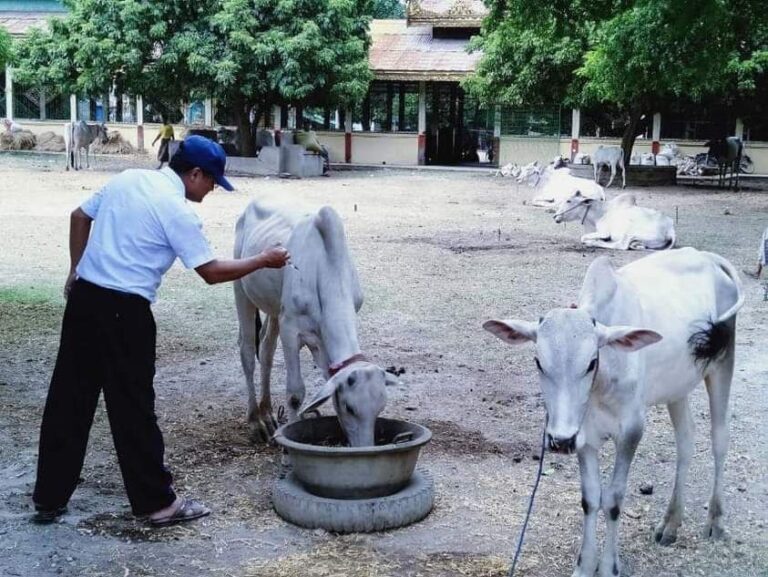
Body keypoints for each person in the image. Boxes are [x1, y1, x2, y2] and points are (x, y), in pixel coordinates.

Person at [32, 135, 291, 527]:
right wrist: (262, 259)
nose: (212, 191)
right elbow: (211, 272)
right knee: (133, 409)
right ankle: (157, 504)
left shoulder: (128, 179)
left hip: (84, 303)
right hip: (126, 312)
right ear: (195, 173)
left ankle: (48, 497)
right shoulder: (176, 210)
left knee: (67, 401)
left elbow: (79, 216)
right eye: (212, 183)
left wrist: (75, 269)